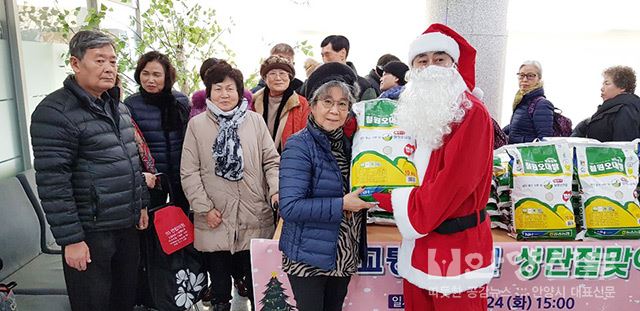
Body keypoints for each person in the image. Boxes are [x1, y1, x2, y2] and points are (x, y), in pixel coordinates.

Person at [372, 23, 494, 310]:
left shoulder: (471, 112)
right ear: (412, 69)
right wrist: (375, 190)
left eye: (440, 59)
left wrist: (395, 200)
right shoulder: (412, 112)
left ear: (453, 64)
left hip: (457, 247)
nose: (431, 67)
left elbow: (455, 183)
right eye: (422, 61)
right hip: (420, 244)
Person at [30, 30, 149, 311]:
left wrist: (141, 204)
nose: (109, 68)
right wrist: (71, 240)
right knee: (93, 304)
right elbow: (53, 182)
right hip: (91, 233)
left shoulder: (117, 107)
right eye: (99, 60)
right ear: (75, 63)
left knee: (124, 300)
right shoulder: (54, 112)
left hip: (125, 226)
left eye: (113, 61)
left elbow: (132, 161)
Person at [180, 61, 280, 311]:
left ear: (239, 92)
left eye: (230, 89)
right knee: (220, 288)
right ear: (209, 92)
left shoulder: (255, 122)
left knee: (258, 283)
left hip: (253, 213)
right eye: (218, 89)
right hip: (215, 216)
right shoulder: (197, 124)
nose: (224, 94)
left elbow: (271, 161)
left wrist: (276, 191)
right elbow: (189, 171)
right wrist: (204, 208)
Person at [279, 79, 376, 311]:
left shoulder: (350, 144)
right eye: (328, 102)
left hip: (342, 254)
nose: (335, 110)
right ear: (312, 105)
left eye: (343, 104)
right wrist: (342, 204)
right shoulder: (299, 145)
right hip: (308, 257)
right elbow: (290, 207)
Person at [124, 51, 191, 211]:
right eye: (145, 73)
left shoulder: (180, 100)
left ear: (166, 77)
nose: (150, 80)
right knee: (153, 224)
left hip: (181, 175)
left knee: (183, 224)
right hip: (151, 179)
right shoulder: (131, 104)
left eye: (156, 74)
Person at [253, 55, 310, 152]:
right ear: (265, 78)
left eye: (282, 73)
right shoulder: (253, 102)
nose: (278, 78)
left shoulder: (301, 104)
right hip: (258, 158)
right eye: (272, 73)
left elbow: (307, 138)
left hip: (289, 158)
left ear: (289, 77)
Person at [580, 66, 640, 141]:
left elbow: (624, 147)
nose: (602, 88)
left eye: (607, 83)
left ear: (622, 87)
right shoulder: (609, 109)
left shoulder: (625, 110)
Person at [504, 60, 554, 143]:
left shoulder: (542, 104)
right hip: (517, 153)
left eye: (530, 76)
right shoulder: (522, 100)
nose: (524, 79)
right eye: (521, 75)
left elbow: (545, 141)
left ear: (539, 79)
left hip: (527, 155)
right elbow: (519, 127)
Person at [319, 35, 378, 100]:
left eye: (327, 55)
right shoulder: (317, 82)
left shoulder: (363, 86)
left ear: (342, 54)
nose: (324, 59)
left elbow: (369, 109)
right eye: (322, 55)